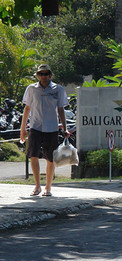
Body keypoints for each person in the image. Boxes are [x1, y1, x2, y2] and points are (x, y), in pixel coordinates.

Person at [19, 64, 67, 197]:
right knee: (33, 155)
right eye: (41, 74)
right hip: (35, 127)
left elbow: (61, 109)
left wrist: (65, 128)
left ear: (50, 75)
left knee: (50, 159)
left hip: (51, 128)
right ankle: (37, 185)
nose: (44, 76)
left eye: (46, 74)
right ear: (37, 75)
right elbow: (27, 108)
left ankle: (48, 187)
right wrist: (23, 129)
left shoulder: (58, 89)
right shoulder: (32, 89)